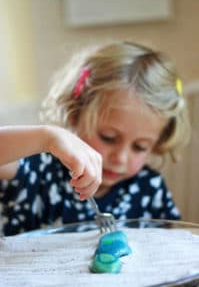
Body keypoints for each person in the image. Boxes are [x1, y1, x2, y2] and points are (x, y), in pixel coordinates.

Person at [0, 41, 190, 236]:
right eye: (108, 138)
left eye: (140, 147)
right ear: (75, 113)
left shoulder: (150, 188)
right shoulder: (37, 170)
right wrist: (46, 137)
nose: (120, 158)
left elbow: (169, 252)